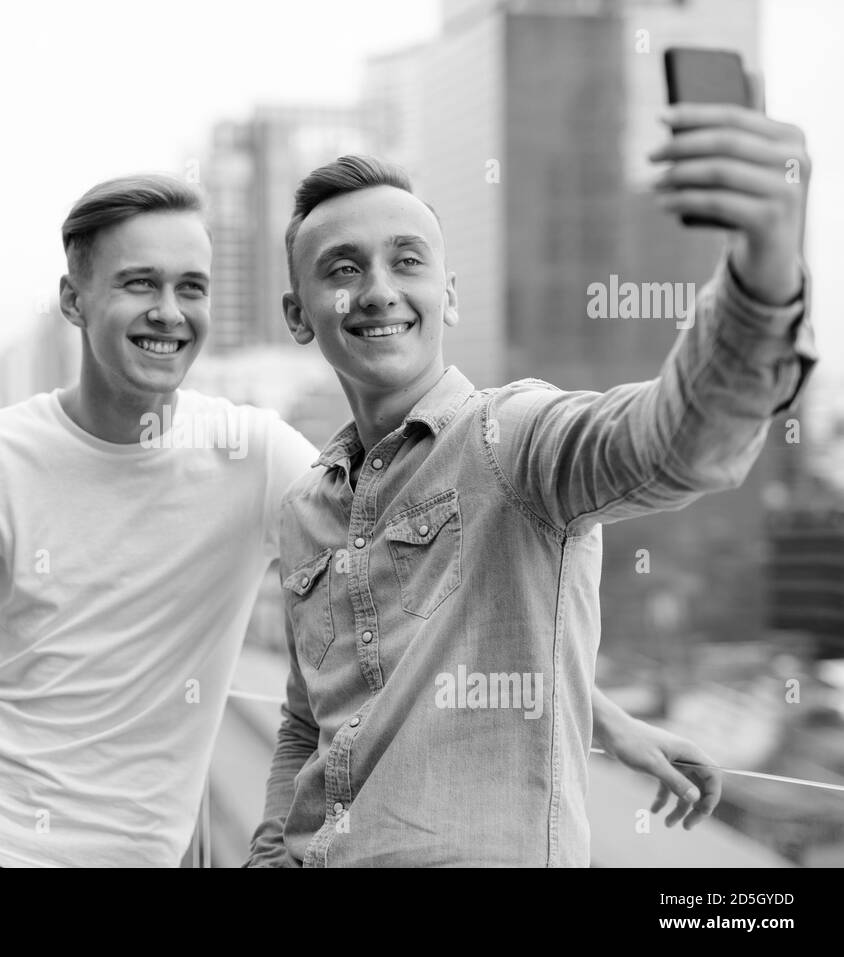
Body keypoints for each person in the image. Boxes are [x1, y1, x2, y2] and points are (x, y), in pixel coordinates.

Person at [0, 174, 726, 868]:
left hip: (155, 854)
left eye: (192, 287)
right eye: (139, 283)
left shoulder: (254, 455)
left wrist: (601, 717)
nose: (169, 312)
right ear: (74, 299)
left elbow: (441, 543)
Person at [247, 97, 815, 866]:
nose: (378, 288)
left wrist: (766, 274)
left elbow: (675, 443)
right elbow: (306, 722)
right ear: (298, 312)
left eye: (408, 261)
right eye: (343, 269)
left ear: (448, 292)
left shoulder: (510, 439)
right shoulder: (305, 508)